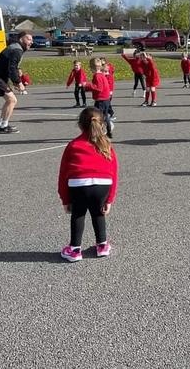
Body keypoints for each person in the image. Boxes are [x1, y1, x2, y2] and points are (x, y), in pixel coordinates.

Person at [57, 107, 119, 262]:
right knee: (98, 213)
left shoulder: (73, 145)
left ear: (80, 125)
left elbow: (63, 174)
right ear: (102, 124)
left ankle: (74, 250)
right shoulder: (106, 145)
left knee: (78, 214)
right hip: (103, 185)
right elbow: (114, 172)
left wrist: (65, 199)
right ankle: (102, 245)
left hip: (78, 184)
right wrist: (109, 199)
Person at [0, 30, 33, 133]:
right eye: (28, 39)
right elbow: (12, 68)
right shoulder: (17, 50)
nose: (31, 42)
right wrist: (18, 83)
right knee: (12, 100)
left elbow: (11, 65)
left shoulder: (16, 47)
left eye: (32, 40)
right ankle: (4, 126)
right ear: (21, 39)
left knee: (9, 100)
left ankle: (0, 123)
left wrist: (17, 73)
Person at [82, 57, 112, 138]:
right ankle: (109, 131)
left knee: (97, 117)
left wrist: (87, 85)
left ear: (92, 68)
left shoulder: (97, 76)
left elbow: (99, 88)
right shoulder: (101, 74)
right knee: (105, 116)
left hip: (101, 100)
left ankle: (100, 132)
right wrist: (88, 88)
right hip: (106, 99)